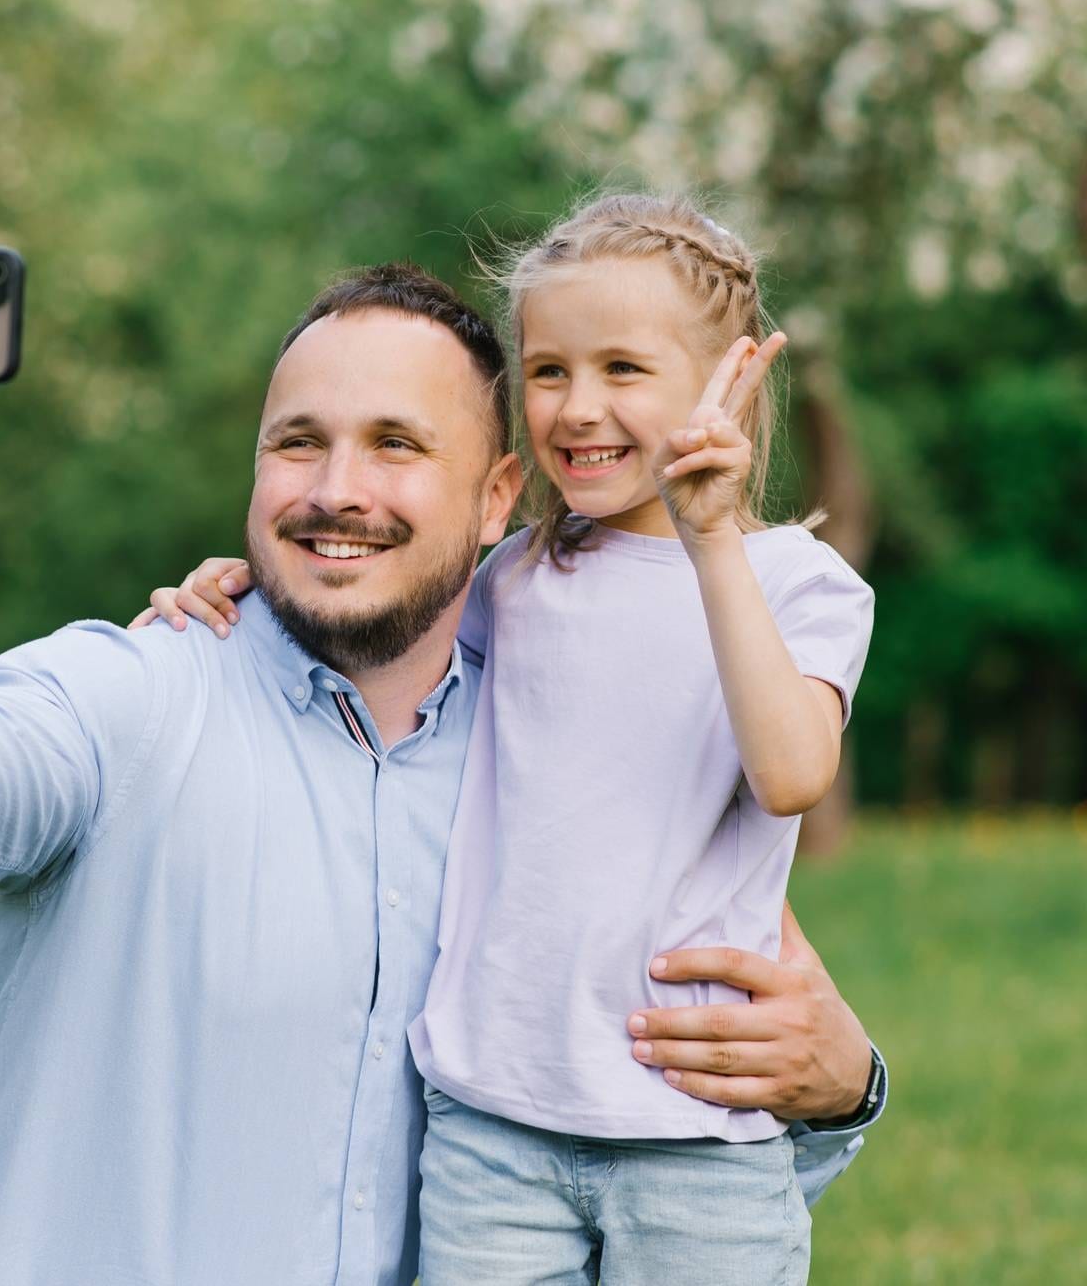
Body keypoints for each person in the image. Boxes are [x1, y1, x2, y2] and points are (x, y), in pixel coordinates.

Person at [0, 223, 885, 1285]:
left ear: (494, 501)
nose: (336, 493)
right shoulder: (136, 692)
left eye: (394, 445)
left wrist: (839, 1089)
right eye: (297, 442)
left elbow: (677, 1131)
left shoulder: (546, 741)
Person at [142, 192, 876, 1282]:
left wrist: (709, 538)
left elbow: (788, 774)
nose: (577, 408)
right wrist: (248, 583)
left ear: (730, 378)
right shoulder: (515, 579)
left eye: (623, 371)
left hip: (693, 1134)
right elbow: (377, 622)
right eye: (547, 372)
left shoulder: (792, 582)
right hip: (492, 1127)